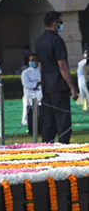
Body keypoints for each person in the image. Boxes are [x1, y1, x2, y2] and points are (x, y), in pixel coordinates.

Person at [35, 11, 78, 144]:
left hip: (47, 85)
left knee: (49, 119)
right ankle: (64, 144)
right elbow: (62, 65)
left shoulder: (39, 41)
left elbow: (40, 65)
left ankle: (47, 144)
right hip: (58, 85)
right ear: (54, 23)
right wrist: (72, 87)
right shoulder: (56, 40)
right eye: (60, 22)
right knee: (63, 119)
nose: (60, 25)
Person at [21, 54, 43, 134]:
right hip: (29, 92)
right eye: (30, 60)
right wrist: (36, 84)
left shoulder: (41, 71)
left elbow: (43, 81)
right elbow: (26, 84)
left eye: (33, 60)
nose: (32, 62)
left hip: (39, 91)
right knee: (27, 99)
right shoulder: (25, 72)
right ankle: (26, 120)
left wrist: (37, 85)